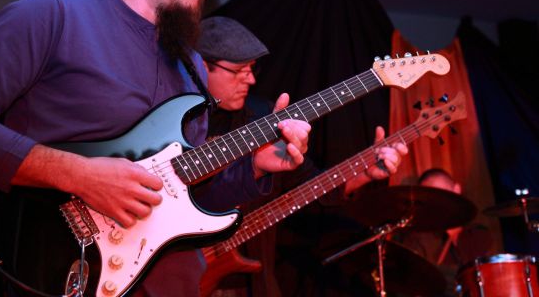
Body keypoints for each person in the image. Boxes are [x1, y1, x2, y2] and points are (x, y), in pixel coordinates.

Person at [0, 0, 312, 296]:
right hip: (53, 269)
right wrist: (76, 174)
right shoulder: (53, 14)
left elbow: (180, 198)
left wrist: (253, 167)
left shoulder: (192, 65)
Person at [195, 16, 409, 296]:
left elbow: (314, 187)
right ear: (201, 66)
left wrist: (365, 171)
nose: (251, 79)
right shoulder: (173, 123)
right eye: (238, 70)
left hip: (252, 285)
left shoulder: (264, 117)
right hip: (178, 274)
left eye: (252, 68)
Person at [398, 168, 494, 297]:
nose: (437, 203)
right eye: (430, 199)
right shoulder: (418, 239)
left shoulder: (479, 235)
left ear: (456, 189)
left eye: (442, 194)